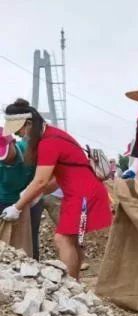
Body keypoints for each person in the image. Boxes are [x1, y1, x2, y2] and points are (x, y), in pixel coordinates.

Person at [1, 99, 112, 280]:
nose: (19, 136)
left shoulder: (48, 142)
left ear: (29, 124)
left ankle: (69, 286)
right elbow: (61, 176)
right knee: (72, 240)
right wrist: (37, 195)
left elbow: (40, 180)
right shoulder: (54, 134)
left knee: (63, 239)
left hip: (83, 195)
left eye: (19, 130)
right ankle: (75, 284)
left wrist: (17, 206)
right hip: (80, 192)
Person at [0, 128, 45, 260]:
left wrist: (34, 194)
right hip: (3, 200)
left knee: (30, 236)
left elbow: (45, 176)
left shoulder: (30, 151)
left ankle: (32, 266)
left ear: (13, 142)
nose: (4, 160)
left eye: (6, 155)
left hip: (30, 198)